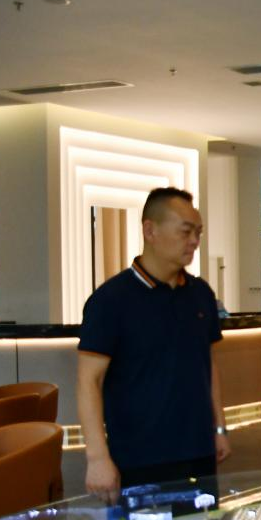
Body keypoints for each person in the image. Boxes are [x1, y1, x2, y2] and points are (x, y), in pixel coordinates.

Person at [78, 187, 228, 504]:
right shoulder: (111, 300)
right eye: (185, 231)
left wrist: (219, 429)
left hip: (199, 451)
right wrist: (97, 457)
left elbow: (208, 364)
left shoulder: (201, 294)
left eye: (198, 232)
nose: (194, 241)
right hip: (139, 458)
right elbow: (89, 380)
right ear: (150, 230)